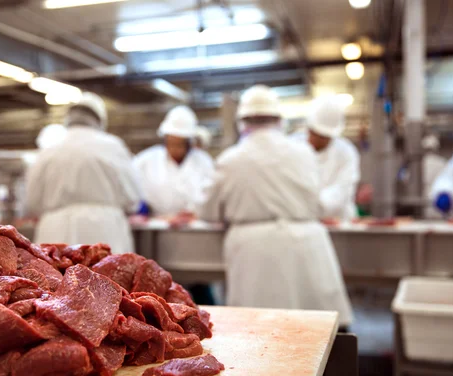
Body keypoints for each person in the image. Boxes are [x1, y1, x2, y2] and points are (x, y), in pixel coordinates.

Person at [198, 85, 353, 327]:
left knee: (261, 334)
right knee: (317, 330)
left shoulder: (230, 160)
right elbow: (319, 200)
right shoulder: (303, 153)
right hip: (306, 242)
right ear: (279, 120)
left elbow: (207, 211)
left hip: (253, 251)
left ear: (242, 122)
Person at [25, 92, 141, 252]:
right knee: (106, 275)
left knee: (57, 275)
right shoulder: (113, 147)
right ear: (100, 119)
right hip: (105, 230)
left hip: (56, 231)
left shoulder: (50, 149)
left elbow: (32, 201)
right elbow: (133, 197)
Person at [134, 106, 214, 217]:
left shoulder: (204, 162)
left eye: (179, 144)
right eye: (170, 143)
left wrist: (193, 212)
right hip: (156, 227)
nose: (174, 149)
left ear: (189, 143)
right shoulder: (146, 160)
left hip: (194, 227)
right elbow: (131, 188)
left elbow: (211, 195)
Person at [292, 96, 360, 220]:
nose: (316, 139)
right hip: (301, 221)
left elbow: (342, 191)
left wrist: (313, 206)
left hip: (339, 222)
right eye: (314, 133)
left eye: (323, 136)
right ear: (309, 128)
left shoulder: (346, 152)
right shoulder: (293, 146)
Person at [421, 134, 447, 218]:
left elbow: (406, 179)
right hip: (439, 202)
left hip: (422, 203)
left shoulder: (419, 164)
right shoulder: (443, 163)